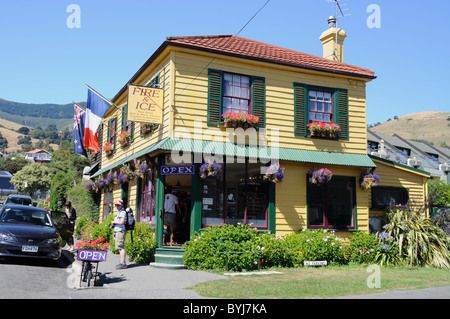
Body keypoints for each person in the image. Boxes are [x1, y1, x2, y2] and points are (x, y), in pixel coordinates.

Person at [111, 199, 127, 269]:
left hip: (121, 231)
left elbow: (122, 222)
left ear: (121, 205)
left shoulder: (122, 212)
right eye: (115, 205)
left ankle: (123, 263)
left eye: (118, 205)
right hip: (118, 231)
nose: (116, 206)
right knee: (119, 247)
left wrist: (114, 222)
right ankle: (122, 262)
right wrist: (115, 232)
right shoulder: (119, 212)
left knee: (121, 247)